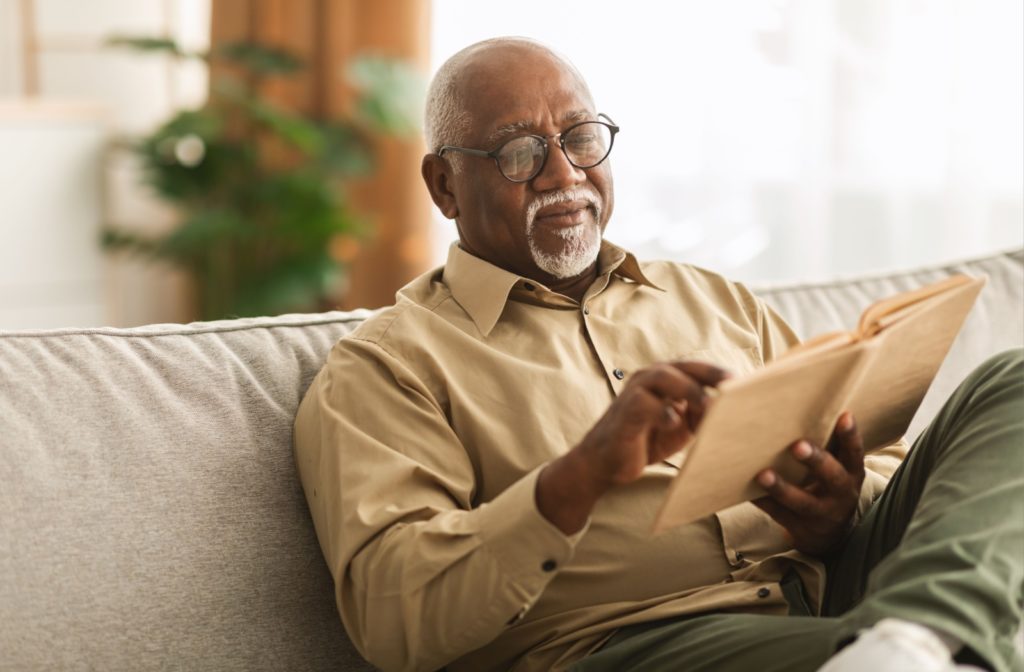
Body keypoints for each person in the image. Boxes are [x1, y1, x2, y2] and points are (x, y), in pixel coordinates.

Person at [293, 37, 1023, 672]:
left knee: (1013, 381)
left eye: (580, 136)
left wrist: (840, 512)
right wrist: (579, 476)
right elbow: (393, 619)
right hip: (628, 644)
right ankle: (936, 643)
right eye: (520, 152)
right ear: (444, 185)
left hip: (843, 599)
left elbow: (873, 466)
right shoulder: (389, 366)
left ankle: (925, 637)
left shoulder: (709, 298)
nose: (563, 174)